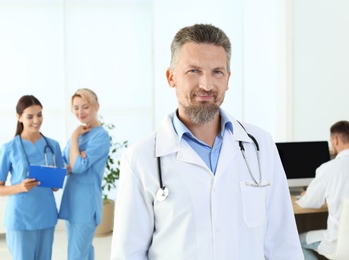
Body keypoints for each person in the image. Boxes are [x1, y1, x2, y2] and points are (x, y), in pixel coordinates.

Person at [110, 24, 303, 259]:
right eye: (193, 71)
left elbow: (283, 242)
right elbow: (128, 253)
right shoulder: (140, 158)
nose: (207, 85)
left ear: (228, 79)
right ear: (171, 77)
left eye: (217, 72)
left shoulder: (260, 145)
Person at [0, 95, 64, 260]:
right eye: (30, 116)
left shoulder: (53, 146)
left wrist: (56, 177)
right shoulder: (9, 148)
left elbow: (56, 186)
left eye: (39, 114)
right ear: (19, 118)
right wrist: (20, 187)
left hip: (46, 215)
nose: (36, 120)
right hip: (21, 218)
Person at [59, 88, 110, 260]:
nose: (80, 112)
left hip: (85, 205)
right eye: (76, 107)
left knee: (76, 255)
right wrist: (74, 161)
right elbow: (65, 164)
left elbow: (78, 166)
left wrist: (73, 138)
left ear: (96, 106)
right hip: (71, 201)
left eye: (85, 107)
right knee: (84, 252)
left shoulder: (100, 137)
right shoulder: (81, 134)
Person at [296, 121, 349, 259]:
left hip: (338, 243)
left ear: (335, 139)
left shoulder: (328, 169)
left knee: (297, 242)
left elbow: (309, 203)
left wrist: (305, 195)